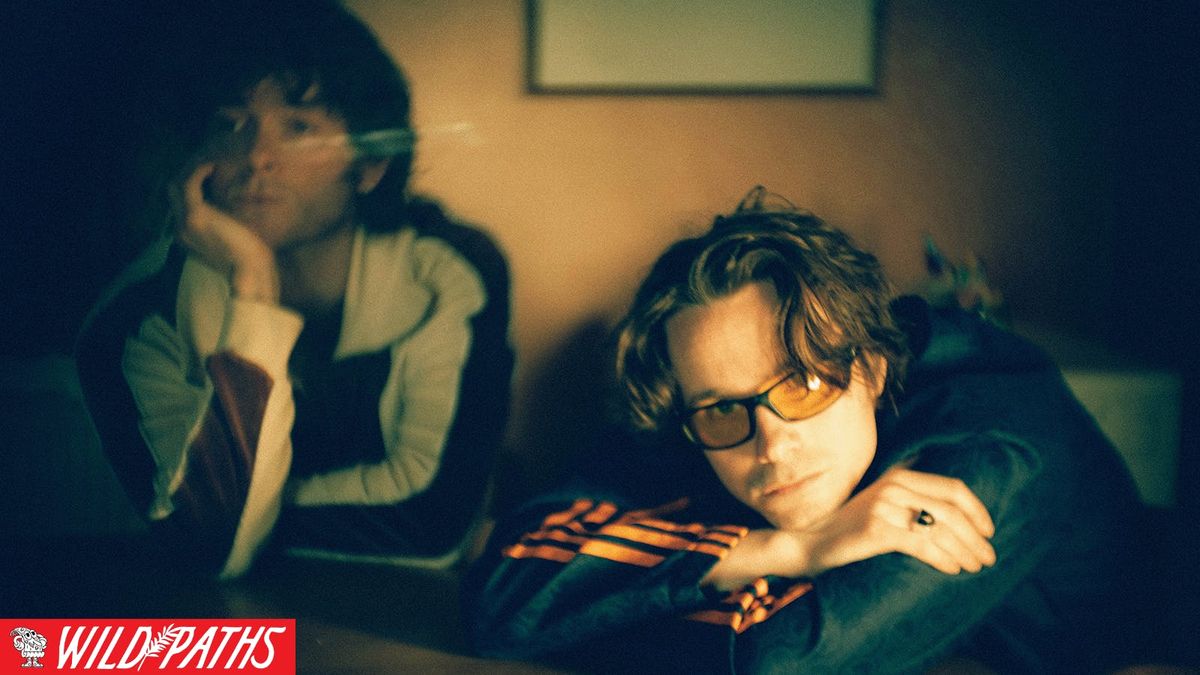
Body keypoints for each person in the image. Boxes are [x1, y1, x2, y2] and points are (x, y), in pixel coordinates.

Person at [465, 189, 1143, 673]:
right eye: (723, 410)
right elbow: (501, 586)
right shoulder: (705, 411)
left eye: (804, 384)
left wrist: (587, 610)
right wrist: (786, 549)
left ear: (872, 368)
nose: (772, 444)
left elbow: (778, 660)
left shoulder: (1001, 442)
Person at [75, 1, 512, 579]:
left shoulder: (446, 270)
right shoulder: (133, 317)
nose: (257, 158)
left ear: (370, 167)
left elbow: (432, 520)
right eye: (230, 125)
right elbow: (206, 547)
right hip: (211, 619)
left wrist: (234, 513)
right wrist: (252, 285)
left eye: (299, 128)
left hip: (402, 608)